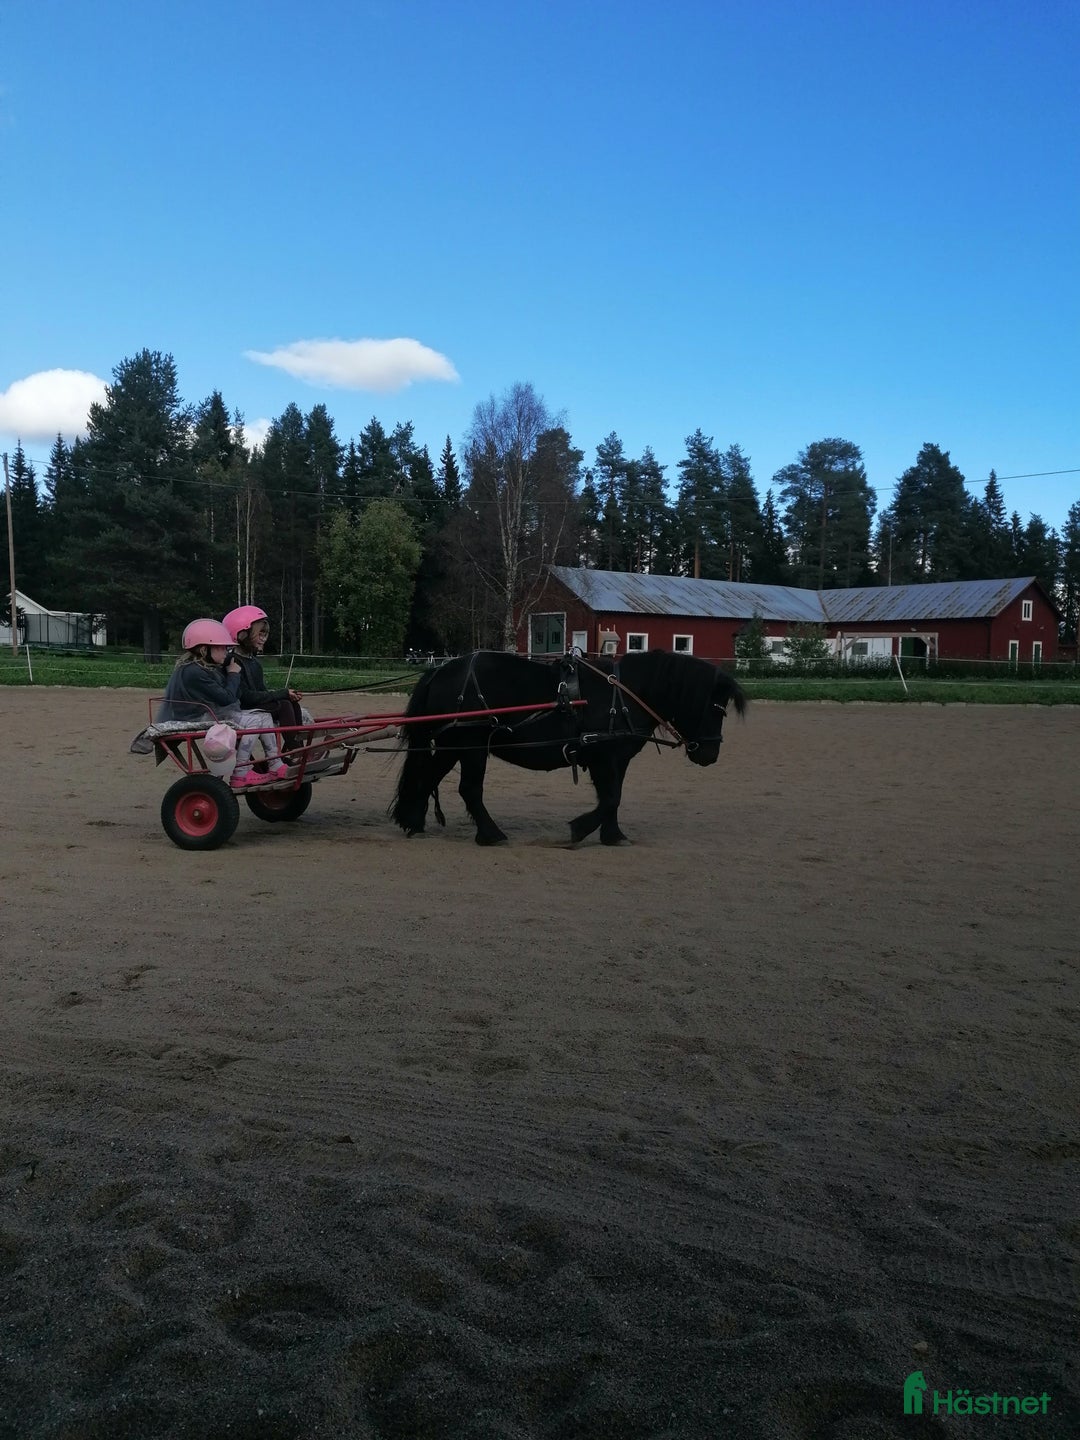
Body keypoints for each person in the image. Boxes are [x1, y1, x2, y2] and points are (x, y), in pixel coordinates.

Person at [157, 619, 283, 788]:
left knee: (264, 716)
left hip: (206, 712)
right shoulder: (194, 672)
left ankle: (275, 764)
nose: (226, 652)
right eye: (221, 647)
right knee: (253, 721)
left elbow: (231, 696)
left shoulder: (207, 667)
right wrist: (233, 674)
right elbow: (227, 698)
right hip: (194, 717)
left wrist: (231, 675)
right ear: (204, 649)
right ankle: (241, 772)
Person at [221, 605, 305, 762]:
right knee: (284, 705)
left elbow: (262, 692)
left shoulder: (254, 662)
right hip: (241, 709)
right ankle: (297, 751)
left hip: (252, 705)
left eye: (265, 634)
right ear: (241, 634)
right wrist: (281, 693)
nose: (264, 638)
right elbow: (245, 697)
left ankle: (296, 749)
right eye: (260, 634)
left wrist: (286, 694)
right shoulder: (232, 662)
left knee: (292, 704)